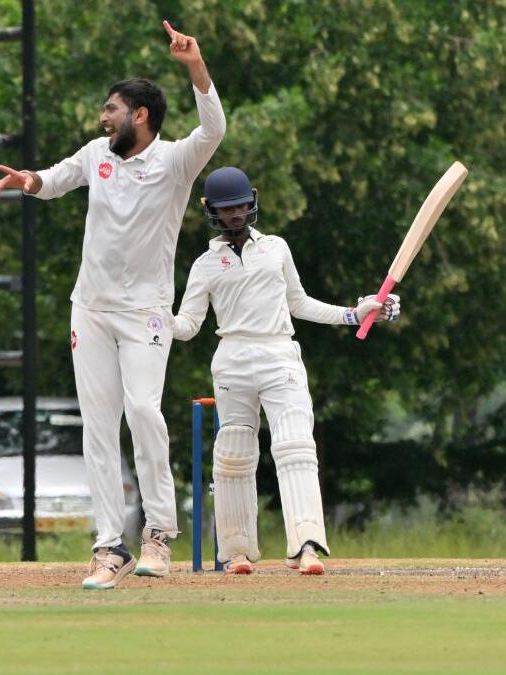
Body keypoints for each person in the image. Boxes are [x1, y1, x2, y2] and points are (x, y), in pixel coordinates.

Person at [0, 21, 226, 589]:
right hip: (90, 308)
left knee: (143, 410)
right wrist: (29, 180)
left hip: (146, 310)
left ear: (140, 115)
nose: (104, 117)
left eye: (112, 109)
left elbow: (214, 128)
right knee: (97, 425)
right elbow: (55, 180)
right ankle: (107, 546)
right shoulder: (98, 153)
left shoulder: (175, 161)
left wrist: (194, 65)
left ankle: (159, 535)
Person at [171, 166, 401, 575]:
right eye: (227, 210)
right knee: (235, 455)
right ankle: (236, 551)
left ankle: (306, 545)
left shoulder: (276, 247)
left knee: (295, 445)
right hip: (232, 358)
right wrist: (151, 319)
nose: (236, 215)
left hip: (279, 352)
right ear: (213, 212)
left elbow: (300, 303)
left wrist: (354, 313)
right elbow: (187, 327)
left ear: (252, 202)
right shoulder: (205, 265)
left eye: (241, 206)